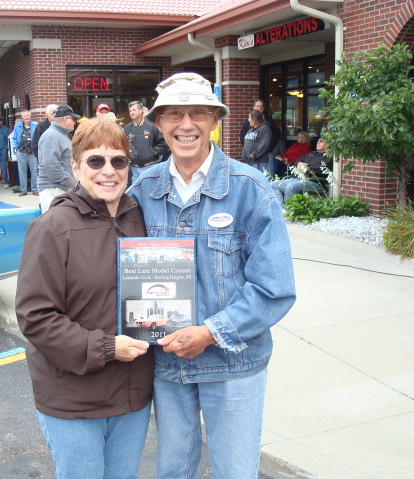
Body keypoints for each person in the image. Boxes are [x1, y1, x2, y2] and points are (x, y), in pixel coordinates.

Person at [127, 72, 296, 479]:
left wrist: (208, 332)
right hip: (168, 368)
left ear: (215, 119)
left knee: (235, 472)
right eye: (174, 115)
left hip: (235, 365)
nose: (186, 125)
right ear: (159, 123)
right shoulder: (141, 190)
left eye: (198, 113)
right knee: (171, 471)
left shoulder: (251, 190)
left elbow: (274, 289)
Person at [16, 119, 153, 479]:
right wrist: (107, 348)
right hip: (74, 400)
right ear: (75, 167)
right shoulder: (52, 227)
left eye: (118, 162)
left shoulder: (140, 217)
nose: (108, 171)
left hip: (131, 396)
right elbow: (36, 316)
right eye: (96, 161)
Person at [37, 105, 80, 213]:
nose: (75, 122)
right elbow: (51, 166)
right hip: (53, 190)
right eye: (73, 119)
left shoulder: (59, 135)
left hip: (59, 189)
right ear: (65, 120)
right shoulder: (52, 136)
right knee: (55, 226)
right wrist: (69, 181)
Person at [271, 137, 333, 204]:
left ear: (328, 144)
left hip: (313, 182)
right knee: (273, 184)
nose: (318, 142)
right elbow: (298, 160)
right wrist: (299, 163)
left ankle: (288, 211)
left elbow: (321, 169)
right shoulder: (312, 153)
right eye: (318, 141)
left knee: (290, 187)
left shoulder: (328, 157)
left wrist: (306, 167)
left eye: (321, 141)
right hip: (297, 178)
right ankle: (281, 209)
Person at [124, 100, 169, 179]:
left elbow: (163, 142)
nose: (131, 112)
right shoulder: (127, 129)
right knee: (134, 191)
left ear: (141, 110)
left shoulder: (152, 126)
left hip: (151, 166)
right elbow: (123, 145)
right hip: (133, 169)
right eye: (130, 111)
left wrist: (153, 152)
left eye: (134, 110)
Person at [240, 99, 279, 174]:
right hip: (251, 159)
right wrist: (246, 153)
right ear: (254, 107)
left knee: (265, 179)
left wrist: (257, 153)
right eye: (257, 106)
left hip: (263, 158)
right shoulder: (250, 126)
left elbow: (265, 142)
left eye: (261, 106)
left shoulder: (267, 124)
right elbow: (244, 137)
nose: (259, 108)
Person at [12, 110, 38, 197]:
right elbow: (14, 137)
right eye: (25, 116)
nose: (26, 117)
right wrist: (16, 146)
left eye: (28, 115)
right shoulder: (17, 126)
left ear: (30, 116)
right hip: (21, 152)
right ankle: (23, 190)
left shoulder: (35, 125)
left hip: (32, 152)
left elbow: (38, 137)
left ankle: (35, 190)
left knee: (34, 171)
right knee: (22, 172)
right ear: (22, 117)